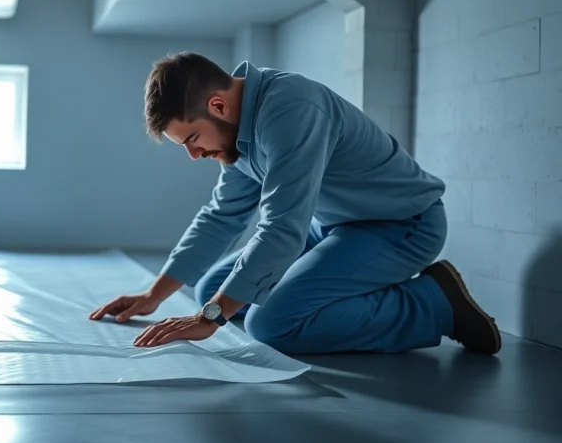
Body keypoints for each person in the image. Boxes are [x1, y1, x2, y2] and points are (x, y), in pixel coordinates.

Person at [89, 53, 501, 356]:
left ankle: (434, 303)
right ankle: (336, 289)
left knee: (270, 324)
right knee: (211, 291)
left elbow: (282, 228)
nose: (194, 155)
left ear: (217, 106)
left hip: (400, 225)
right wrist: (154, 294)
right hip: (333, 226)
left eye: (193, 139)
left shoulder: (291, 110)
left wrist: (209, 321)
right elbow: (221, 216)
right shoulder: (236, 135)